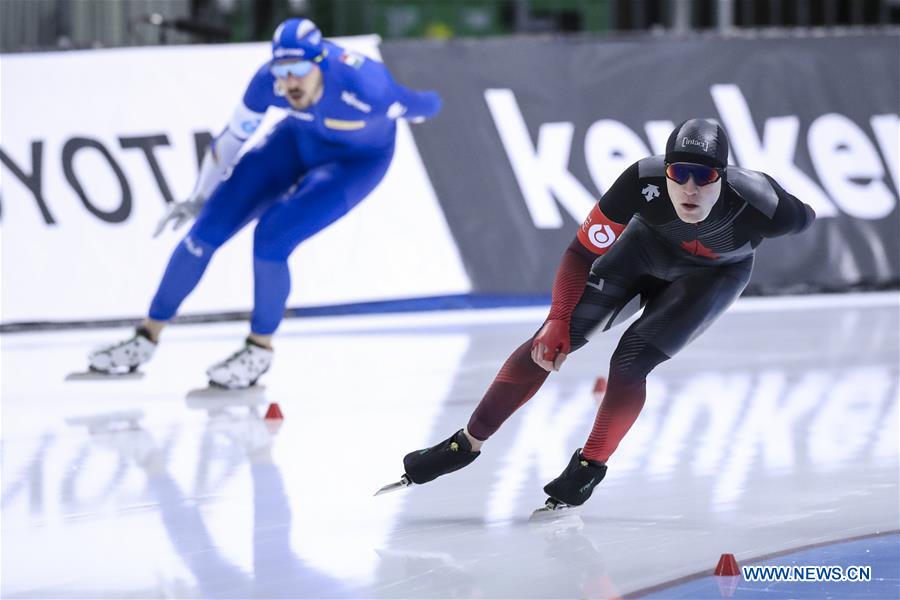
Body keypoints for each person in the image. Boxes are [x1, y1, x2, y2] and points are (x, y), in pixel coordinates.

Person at [389, 119, 816, 509]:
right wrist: (557, 319)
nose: (689, 188)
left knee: (631, 361)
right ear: (664, 171)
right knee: (550, 341)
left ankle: (588, 468)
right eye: (678, 173)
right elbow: (579, 253)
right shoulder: (639, 180)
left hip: (712, 277)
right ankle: (467, 443)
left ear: (723, 177)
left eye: (703, 176)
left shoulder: (761, 201)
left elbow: (806, 217)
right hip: (641, 253)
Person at [87, 18, 442, 388]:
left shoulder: (367, 85)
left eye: (298, 70)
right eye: (282, 69)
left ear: (319, 62)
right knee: (206, 228)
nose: (289, 82)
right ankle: (145, 337)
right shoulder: (267, 82)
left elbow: (423, 104)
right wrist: (198, 196)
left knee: (271, 239)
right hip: (296, 142)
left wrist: (437, 99)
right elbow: (230, 139)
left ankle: (259, 349)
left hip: (355, 165)